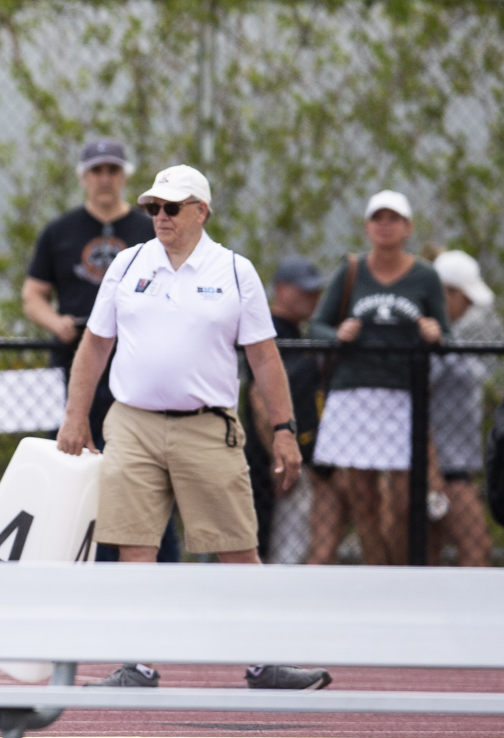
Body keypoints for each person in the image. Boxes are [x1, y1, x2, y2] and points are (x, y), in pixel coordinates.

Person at [58, 164, 328, 692]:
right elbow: (95, 344)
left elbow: (265, 359)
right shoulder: (127, 263)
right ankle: (137, 664)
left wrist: (283, 428)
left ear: (201, 211)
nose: (160, 216)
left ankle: (264, 661)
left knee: (236, 544)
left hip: (208, 426)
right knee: (135, 545)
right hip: (131, 423)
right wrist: (75, 415)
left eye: (171, 207)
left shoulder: (234, 270)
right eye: (153, 208)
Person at [22, 139, 179, 563]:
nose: (105, 179)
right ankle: (81, 563)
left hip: (138, 374)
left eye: (112, 170)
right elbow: (32, 294)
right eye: (97, 171)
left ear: (125, 175)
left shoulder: (152, 227)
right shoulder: (60, 231)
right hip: (79, 371)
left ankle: (159, 567)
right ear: (84, 178)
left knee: (144, 472)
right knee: (79, 469)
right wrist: (56, 323)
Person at [310, 191, 448, 566]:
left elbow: (445, 335)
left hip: (403, 395)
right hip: (354, 392)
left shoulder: (426, 276)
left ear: (408, 227)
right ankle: (376, 573)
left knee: (405, 501)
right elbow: (317, 326)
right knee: (364, 499)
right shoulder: (352, 270)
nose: (385, 225)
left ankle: (401, 572)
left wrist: (435, 334)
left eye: (393, 218)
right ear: (368, 226)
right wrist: (338, 335)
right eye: (378, 218)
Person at [244, 256, 326, 563]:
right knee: (264, 546)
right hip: (267, 456)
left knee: (285, 545)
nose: (313, 298)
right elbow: (258, 396)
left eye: (315, 291)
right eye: (304, 291)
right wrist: (277, 456)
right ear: (281, 289)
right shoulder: (270, 330)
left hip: (283, 452)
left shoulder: (295, 332)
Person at [429, 250, 504, 567]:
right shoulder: (431, 340)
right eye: (464, 296)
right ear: (445, 292)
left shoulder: (452, 336)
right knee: (476, 548)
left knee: (429, 553)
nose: (470, 305)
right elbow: (417, 399)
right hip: (444, 469)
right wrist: (431, 473)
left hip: (459, 465)